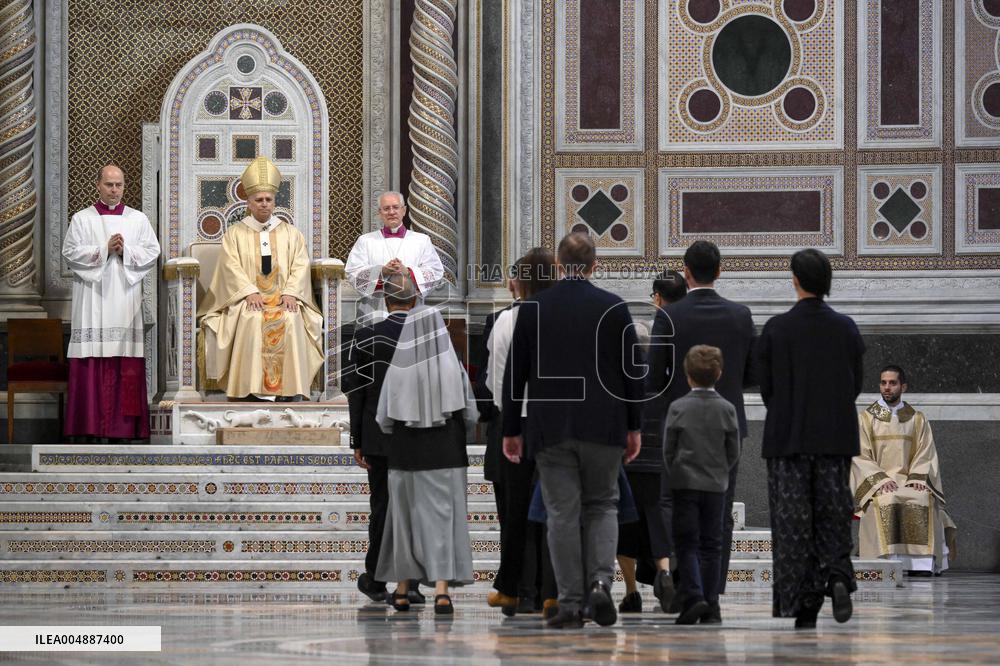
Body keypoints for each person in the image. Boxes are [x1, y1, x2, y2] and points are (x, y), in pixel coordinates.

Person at [502, 231, 643, 629]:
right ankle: (600, 581)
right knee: (603, 505)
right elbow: (633, 374)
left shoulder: (533, 309)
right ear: (595, 265)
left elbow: (517, 374)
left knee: (561, 513)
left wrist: (512, 429)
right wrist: (635, 426)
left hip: (552, 427)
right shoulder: (614, 309)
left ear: (560, 266)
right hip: (605, 425)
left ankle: (569, 602)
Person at [647, 241, 756, 622]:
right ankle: (713, 596)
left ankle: (689, 590)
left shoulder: (669, 317)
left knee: (681, 512)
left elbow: (653, 379)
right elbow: (752, 375)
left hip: (679, 426)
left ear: (686, 272)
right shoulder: (740, 315)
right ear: (720, 271)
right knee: (719, 516)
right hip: (728, 425)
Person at [757, 248, 864, 629]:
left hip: (788, 440)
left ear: (795, 280)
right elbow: (855, 383)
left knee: (793, 525)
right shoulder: (846, 327)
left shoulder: (776, 328)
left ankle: (802, 606)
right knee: (834, 516)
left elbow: (766, 388)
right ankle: (837, 576)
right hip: (835, 438)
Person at [374, 287, 478, 615]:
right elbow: (471, 414)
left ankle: (403, 589)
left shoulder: (398, 368)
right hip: (446, 454)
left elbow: (384, 418)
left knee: (403, 521)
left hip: (405, 454)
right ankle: (442, 592)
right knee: (442, 523)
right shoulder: (454, 368)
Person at [199, 156, 323, 400]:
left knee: (291, 317)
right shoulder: (234, 233)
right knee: (252, 319)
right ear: (249, 202)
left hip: (284, 298)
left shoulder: (291, 233)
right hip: (248, 299)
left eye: (269, 199)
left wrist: (291, 293)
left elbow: (300, 265)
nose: (264, 204)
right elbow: (230, 267)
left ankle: (290, 389)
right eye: (259, 200)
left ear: (275, 201)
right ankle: (251, 389)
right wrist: (248, 291)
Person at [62, 164, 161, 441]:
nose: (114, 190)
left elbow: (153, 252)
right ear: (98, 185)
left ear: (124, 186)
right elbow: (69, 253)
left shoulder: (137, 219)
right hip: (92, 299)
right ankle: (89, 429)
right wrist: (104, 250)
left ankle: (123, 430)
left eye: (118, 184)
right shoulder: (82, 219)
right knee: (91, 360)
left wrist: (125, 250)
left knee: (124, 361)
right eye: (109, 184)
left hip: (124, 301)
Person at [485, 248, 558, 617]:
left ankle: (516, 589)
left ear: (519, 282)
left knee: (516, 512)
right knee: (554, 509)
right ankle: (551, 591)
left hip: (514, 422)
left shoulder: (505, 322)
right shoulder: (563, 318)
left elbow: (497, 384)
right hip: (554, 424)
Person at [343, 274, 417, 604]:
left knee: (382, 507)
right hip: (419, 436)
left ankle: (375, 577)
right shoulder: (429, 338)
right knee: (413, 509)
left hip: (378, 436)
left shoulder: (367, 335)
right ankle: (411, 582)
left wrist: (356, 439)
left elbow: (355, 392)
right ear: (414, 301)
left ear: (386, 303)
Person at [617, 269, 687, 614]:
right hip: (666, 447)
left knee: (627, 521)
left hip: (633, 452)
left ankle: (631, 591)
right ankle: (664, 573)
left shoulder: (628, 381)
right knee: (659, 516)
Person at [852, 366, 957, 576]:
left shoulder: (916, 419)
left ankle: (920, 565)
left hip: (909, 480)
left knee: (921, 498)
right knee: (887, 499)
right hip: (880, 483)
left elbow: (926, 453)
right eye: (883, 383)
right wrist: (880, 480)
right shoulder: (865, 419)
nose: (887, 387)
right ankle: (888, 564)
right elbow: (859, 455)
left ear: (903, 386)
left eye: (892, 383)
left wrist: (918, 477)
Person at [664, 345, 740, 625]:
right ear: (719, 374)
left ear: (687, 375)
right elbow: (733, 451)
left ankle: (694, 596)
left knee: (686, 543)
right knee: (712, 544)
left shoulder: (678, 407)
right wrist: (721, 471)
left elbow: (668, 449)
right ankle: (712, 605)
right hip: (716, 485)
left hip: (685, 484)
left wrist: (676, 472)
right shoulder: (728, 409)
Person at [344, 191, 445, 319]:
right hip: (376, 313)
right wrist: (381, 272)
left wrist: (408, 272)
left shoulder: (422, 241)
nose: (391, 212)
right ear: (380, 213)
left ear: (403, 210)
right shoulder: (365, 241)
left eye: (396, 207)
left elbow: (435, 272)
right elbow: (353, 273)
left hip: (412, 313)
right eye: (386, 208)